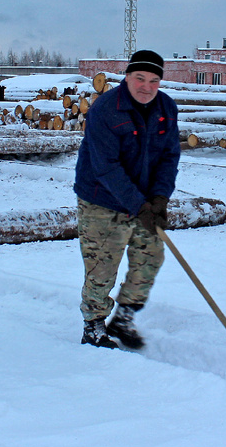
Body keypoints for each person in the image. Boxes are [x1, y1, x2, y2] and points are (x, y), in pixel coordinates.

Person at [73, 50, 180, 349]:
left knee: (150, 257)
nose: (146, 86)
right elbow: (105, 166)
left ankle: (123, 318)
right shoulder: (106, 109)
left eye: (154, 80)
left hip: (145, 199)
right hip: (101, 198)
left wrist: (159, 198)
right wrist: (140, 205)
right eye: (140, 78)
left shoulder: (166, 109)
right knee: (102, 266)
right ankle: (93, 325)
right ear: (127, 77)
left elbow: (170, 156)